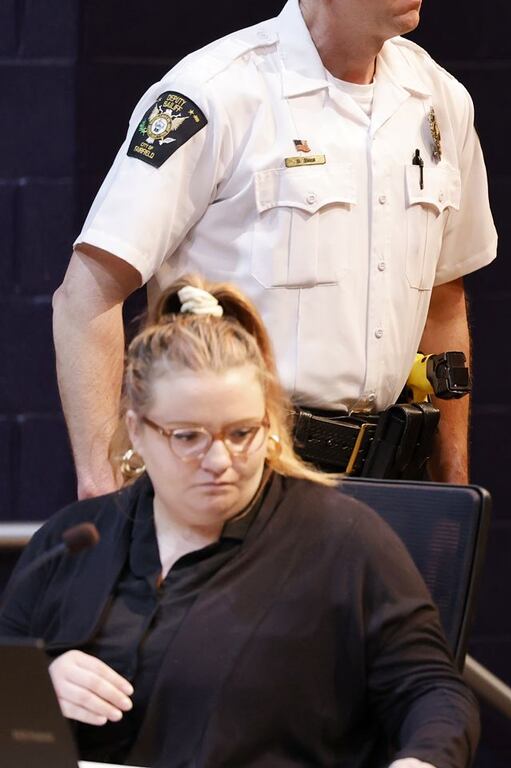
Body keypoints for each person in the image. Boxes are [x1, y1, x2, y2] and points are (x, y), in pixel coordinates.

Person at [53, 0, 496, 496]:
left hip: (389, 481)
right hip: (238, 476)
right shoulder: (214, 94)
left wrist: (453, 478)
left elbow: (444, 300)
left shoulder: (438, 101)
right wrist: (102, 483)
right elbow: (86, 295)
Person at [2, 277, 478, 767]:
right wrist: (37, 691)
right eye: (188, 437)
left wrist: (421, 761)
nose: (220, 460)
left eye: (242, 433)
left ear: (269, 422)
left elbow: (434, 694)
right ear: (137, 431)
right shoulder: (75, 541)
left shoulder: (341, 540)